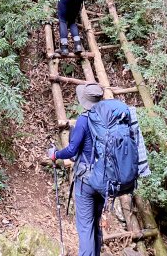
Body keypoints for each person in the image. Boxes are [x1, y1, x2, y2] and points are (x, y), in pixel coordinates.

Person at [48, 83, 105, 256]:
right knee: (96, 222)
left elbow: (72, 150)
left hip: (86, 180)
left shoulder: (83, 120)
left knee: (86, 226)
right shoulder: (107, 118)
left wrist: (55, 154)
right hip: (104, 178)